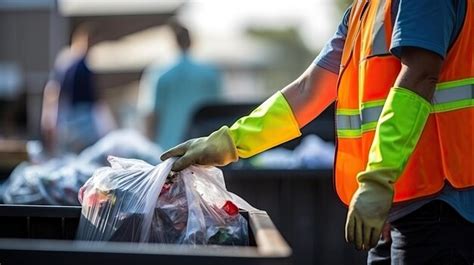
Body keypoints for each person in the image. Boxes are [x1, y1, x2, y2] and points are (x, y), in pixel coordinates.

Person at [160, 0, 474, 264]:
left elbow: (420, 74)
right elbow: (310, 91)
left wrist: (379, 178)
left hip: (441, 206)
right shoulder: (364, 11)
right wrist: (228, 142)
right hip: (405, 206)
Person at [142, 22, 222, 150]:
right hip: (203, 147)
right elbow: (218, 110)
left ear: (173, 42)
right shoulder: (210, 73)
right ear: (192, 41)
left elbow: (151, 114)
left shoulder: (160, 72)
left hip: (169, 147)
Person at [41, 23, 114, 154]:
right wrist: (50, 118)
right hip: (79, 119)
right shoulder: (71, 63)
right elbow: (54, 92)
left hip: (71, 119)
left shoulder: (67, 62)